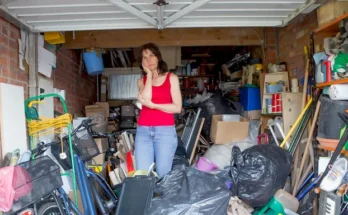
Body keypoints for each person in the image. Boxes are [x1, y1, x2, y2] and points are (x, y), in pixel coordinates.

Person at [135, 43, 182, 177]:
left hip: (165, 132)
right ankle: (146, 198)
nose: (148, 60)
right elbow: (146, 97)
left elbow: (177, 107)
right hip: (143, 132)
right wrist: (149, 75)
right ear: (141, 62)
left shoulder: (171, 78)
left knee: (163, 174)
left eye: (151, 55)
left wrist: (154, 106)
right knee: (142, 174)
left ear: (158, 58)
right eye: (144, 57)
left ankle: (162, 198)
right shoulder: (141, 81)